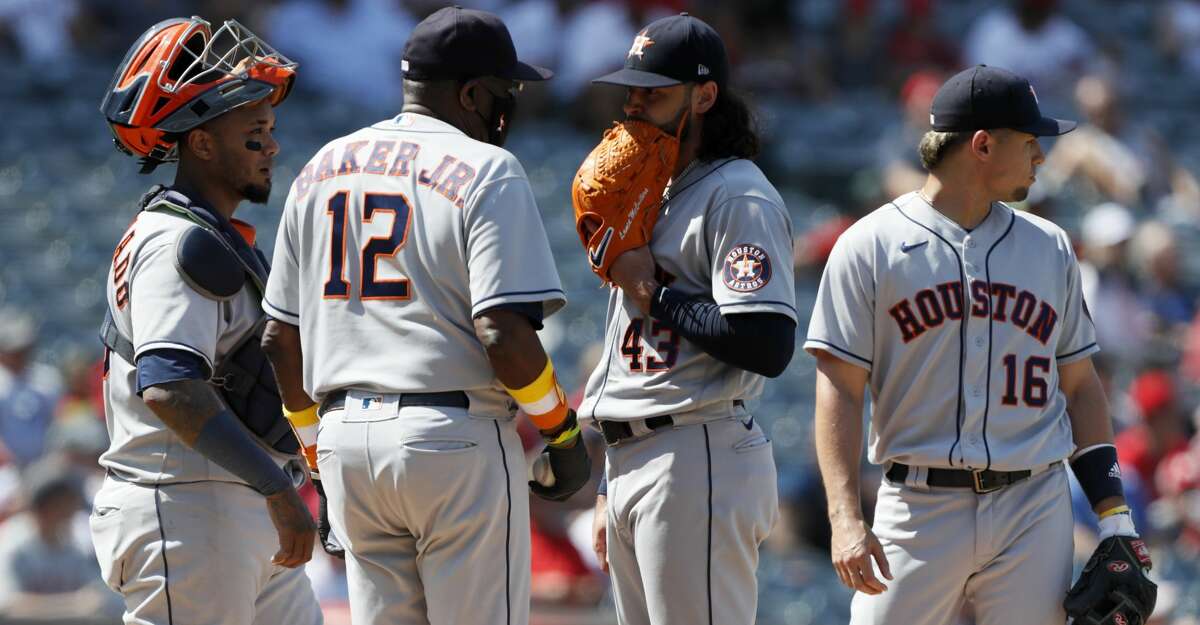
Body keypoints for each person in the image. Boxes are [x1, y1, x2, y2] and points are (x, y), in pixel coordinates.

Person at [259, 7, 590, 625]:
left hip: (346, 439)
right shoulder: (488, 169)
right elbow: (502, 333)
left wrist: (316, 459)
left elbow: (280, 338)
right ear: (469, 93)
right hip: (451, 439)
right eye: (503, 91)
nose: (508, 106)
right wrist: (560, 430)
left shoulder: (321, 166)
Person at [806, 65, 1149, 624]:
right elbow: (839, 391)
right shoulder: (869, 246)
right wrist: (845, 518)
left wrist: (1113, 516)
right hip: (918, 506)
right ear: (983, 145)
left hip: (1031, 505)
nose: (1042, 156)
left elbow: (1081, 388)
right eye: (1030, 142)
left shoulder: (1051, 247)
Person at [91, 16, 321, 625]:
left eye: (271, 130)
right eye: (254, 132)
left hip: (230, 505)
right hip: (188, 507)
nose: (271, 146)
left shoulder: (211, 236)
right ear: (201, 143)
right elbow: (171, 386)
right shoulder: (176, 242)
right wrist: (278, 490)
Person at [579, 13, 797, 625]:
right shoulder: (654, 190)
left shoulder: (737, 195)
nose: (637, 106)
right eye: (633, 91)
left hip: (695, 452)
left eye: (656, 93)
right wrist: (605, 485)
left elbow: (766, 343)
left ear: (704, 96)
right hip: (634, 455)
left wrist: (652, 292)